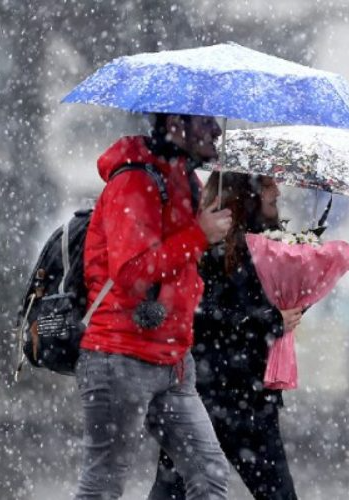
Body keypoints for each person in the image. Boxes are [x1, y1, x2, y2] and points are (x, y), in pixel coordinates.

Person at [76, 113, 233, 499]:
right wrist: (198, 234)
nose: (216, 130)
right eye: (204, 121)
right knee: (104, 484)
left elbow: (182, 266)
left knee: (209, 475)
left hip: (174, 359)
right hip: (120, 354)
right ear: (175, 124)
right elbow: (132, 272)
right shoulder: (135, 181)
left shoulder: (185, 181)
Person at [149, 171, 302, 500]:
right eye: (266, 182)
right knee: (173, 490)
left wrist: (294, 303)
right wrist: (268, 320)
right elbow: (202, 314)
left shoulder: (275, 245)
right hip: (205, 394)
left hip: (252, 398)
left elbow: (266, 313)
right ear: (245, 193)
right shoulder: (208, 246)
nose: (277, 188)